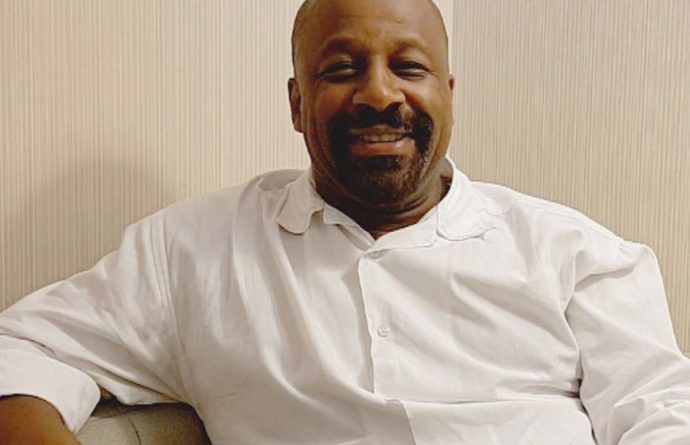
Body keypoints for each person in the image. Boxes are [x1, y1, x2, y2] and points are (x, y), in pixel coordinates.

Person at [1, 0, 689, 443]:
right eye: (342, 69)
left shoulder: (579, 255)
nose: (379, 93)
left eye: (409, 67)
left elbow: (661, 415)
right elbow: (22, 354)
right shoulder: (191, 252)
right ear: (297, 103)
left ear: (448, 96)